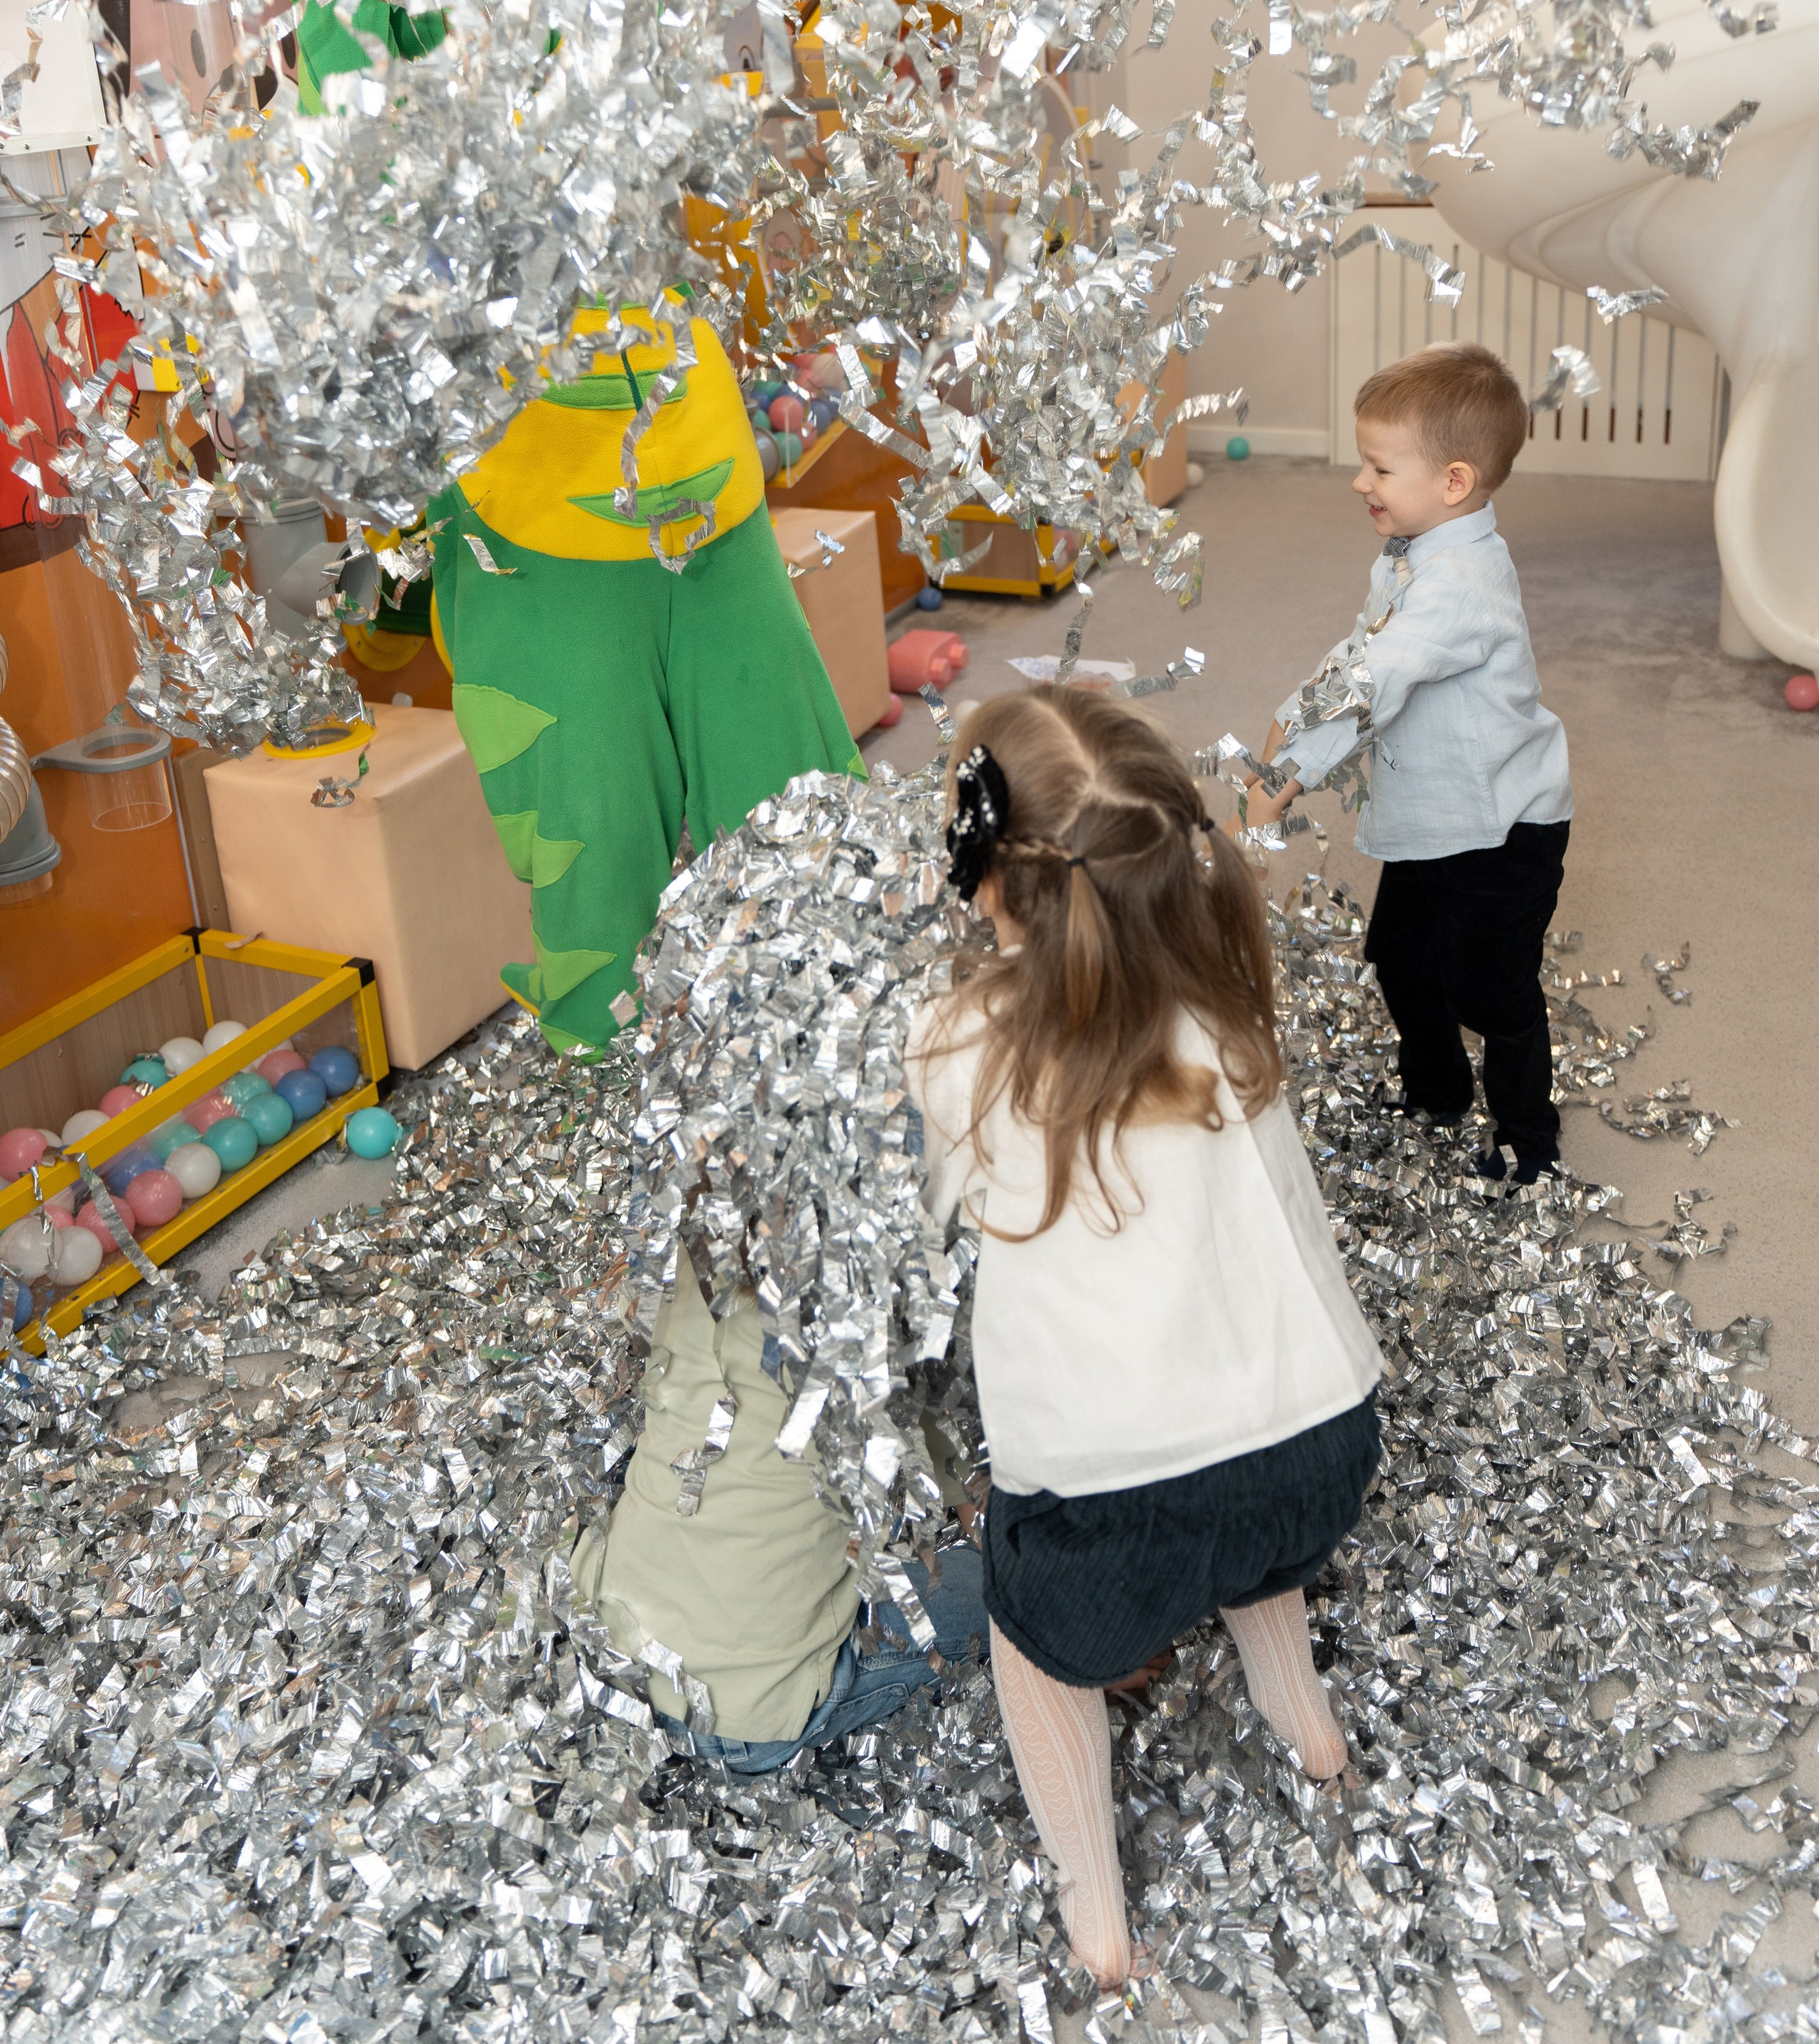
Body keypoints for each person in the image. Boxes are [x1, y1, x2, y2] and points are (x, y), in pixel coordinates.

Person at [257, 0, 863, 1054]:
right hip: (533, 551)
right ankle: (668, 1214)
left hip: (703, 509)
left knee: (806, 852)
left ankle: (840, 1135)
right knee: (598, 905)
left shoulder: (614, 0)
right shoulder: (377, 74)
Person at [907, 688, 1383, 1989]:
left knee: (1032, 1632)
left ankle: (1099, 1926)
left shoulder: (960, 1045)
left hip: (1111, 1528)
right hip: (1322, 1465)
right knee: (1242, 1496)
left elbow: (945, 1206)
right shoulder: (1233, 1015)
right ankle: (1315, 1733)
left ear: (990, 883)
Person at [1241, 342, 1573, 1184]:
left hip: (1502, 827)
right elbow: (1359, 652)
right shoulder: (1411, 556)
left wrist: (1287, 779)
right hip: (1437, 818)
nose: (1362, 483)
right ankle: (1436, 1090)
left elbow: (1376, 680)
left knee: (1490, 992)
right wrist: (1287, 721)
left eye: (1379, 468)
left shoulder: (1462, 581)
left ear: (1452, 482)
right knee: (1399, 955)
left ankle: (1528, 1141)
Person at [567, 1250, 988, 1768]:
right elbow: (975, 1494)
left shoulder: (697, 1252)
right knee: (996, 1594)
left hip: (610, 1643)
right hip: (738, 1718)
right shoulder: (865, 1327)